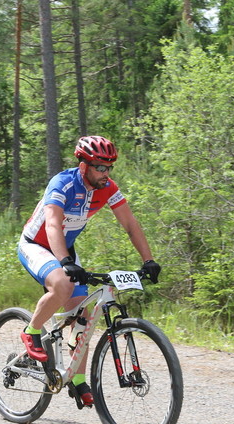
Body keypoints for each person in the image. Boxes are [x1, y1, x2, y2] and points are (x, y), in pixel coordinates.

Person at [17, 135, 161, 407]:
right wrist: (65, 261)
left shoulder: (108, 188)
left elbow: (130, 224)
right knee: (62, 284)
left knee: (82, 317)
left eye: (110, 167)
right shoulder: (62, 183)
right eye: (100, 167)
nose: (106, 173)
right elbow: (52, 225)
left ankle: (78, 379)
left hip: (66, 249)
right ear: (83, 166)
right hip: (37, 244)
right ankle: (31, 330)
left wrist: (148, 260)